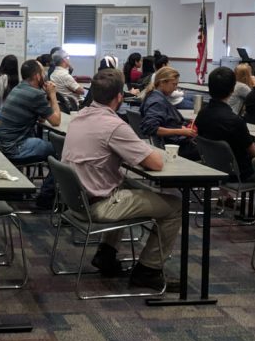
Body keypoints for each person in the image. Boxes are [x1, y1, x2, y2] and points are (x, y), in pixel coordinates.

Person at [61, 69, 182, 291]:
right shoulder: (114, 126)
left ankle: (106, 254)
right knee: (174, 205)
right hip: (99, 205)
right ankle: (149, 270)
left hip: (78, 200)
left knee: (123, 183)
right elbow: (155, 163)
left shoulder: (79, 117)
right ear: (119, 96)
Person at [0, 59, 60, 209]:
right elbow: (55, 121)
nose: (45, 75)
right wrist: (53, 95)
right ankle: (46, 197)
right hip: (16, 147)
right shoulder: (35, 94)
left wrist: (47, 97)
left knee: (52, 146)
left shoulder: (19, 88)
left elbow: (43, 117)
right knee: (63, 152)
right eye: (43, 72)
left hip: (4, 144)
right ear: (37, 76)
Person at [194, 66, 255, 180]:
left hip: (212, 166)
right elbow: (254, 153)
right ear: (232, 90)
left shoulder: (201, 114)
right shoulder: (236, 121)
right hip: (238, 174)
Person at [139, 66, 199, 160]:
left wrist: (181, 128)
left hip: (173, 144)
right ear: (162, 82)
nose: (175, 88)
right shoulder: (157, 102)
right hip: (176, 147)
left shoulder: (155, 97)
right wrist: (181, 131)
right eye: (174, 84)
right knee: (211, 150)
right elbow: (151, 128)